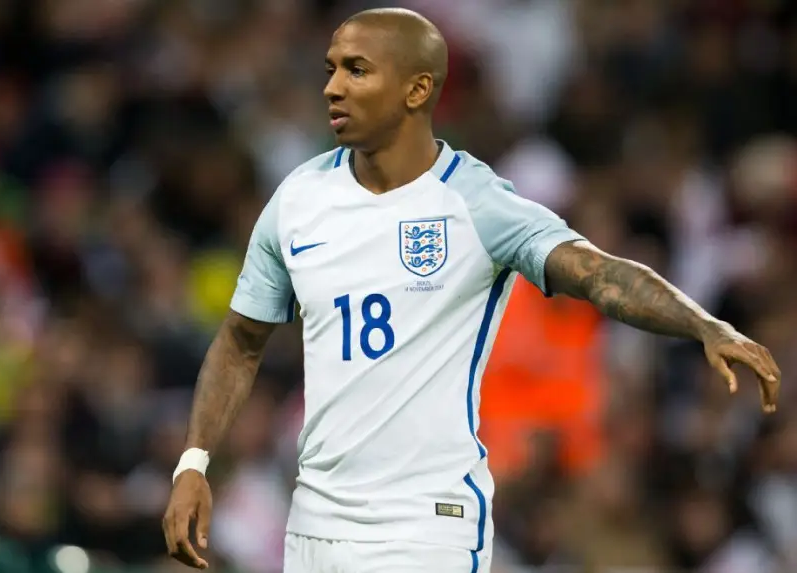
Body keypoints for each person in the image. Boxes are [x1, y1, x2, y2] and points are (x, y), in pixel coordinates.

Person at [162, 8, 781, 573]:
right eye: (331, 70)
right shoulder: (298, 199)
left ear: (417, 89)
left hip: (426, 522)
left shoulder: (473, 201)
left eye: (357, 70)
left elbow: (599, 274)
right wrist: (194, 462)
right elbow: (240, 342)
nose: (333, 88)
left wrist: (703, 323)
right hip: (318, 522)